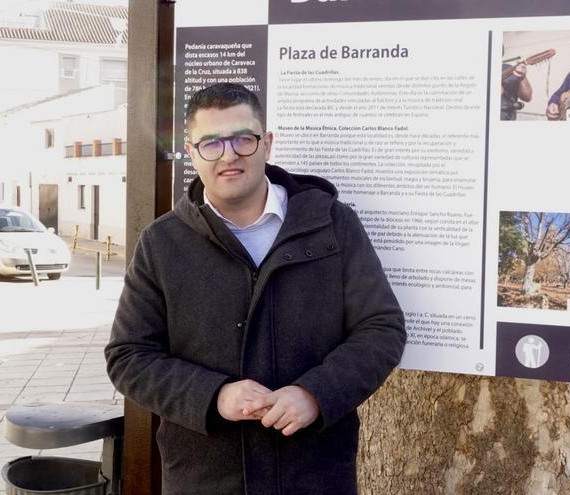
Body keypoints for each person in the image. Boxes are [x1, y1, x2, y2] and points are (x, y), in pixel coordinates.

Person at [105, 82, 406, 494]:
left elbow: (381, 328)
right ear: (192, 153)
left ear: (266, 143)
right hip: (206, 479)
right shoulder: (163, 243)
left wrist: (316, 394)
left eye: (242, 139)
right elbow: (129, 356)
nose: (228, 155)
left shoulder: (333, 224)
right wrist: (215, 396)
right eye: (211, 143)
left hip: (314, 474)